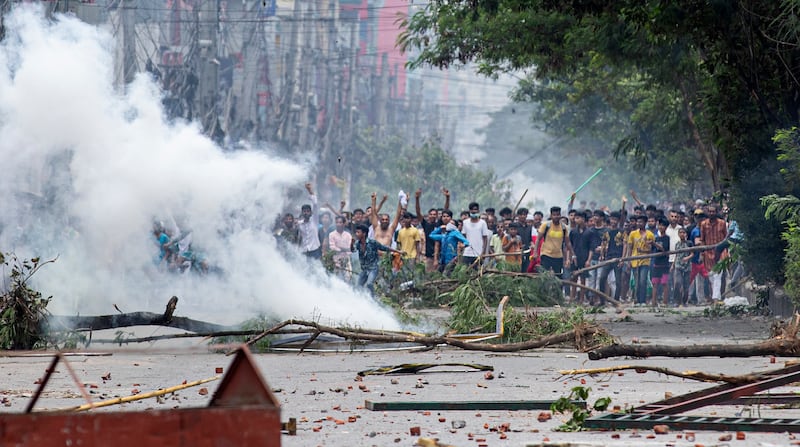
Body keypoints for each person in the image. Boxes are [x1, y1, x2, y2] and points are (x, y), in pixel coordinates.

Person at [351, 224, 403, 294]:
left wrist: (397, 251)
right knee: (358, 286)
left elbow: (384, 247)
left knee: (369, 284)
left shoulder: (372, 242)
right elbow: (353, 250)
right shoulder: (358, 243)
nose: (356, 234)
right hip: (364, 269)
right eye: (356, 232)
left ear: (364, 233)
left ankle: (373, 299)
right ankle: (361, 298)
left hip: (373, 268)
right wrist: (351, 244)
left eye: (358, 232)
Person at [533, 206, 572, 277]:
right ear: (551, 215)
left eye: (558, 215)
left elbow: (567, 243)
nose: (556, 217)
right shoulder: (546, 225)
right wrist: (535, 252)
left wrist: (571, 256)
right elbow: (538, 239)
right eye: (554, 215)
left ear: (560, 215)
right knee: (544, 276)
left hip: (558, 256)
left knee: (558, 277)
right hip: (546, 254)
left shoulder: (564, 227)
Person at [699, 204, 728, 301]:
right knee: (711, 276)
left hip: (721, 252)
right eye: (710, 211)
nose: (712, 213)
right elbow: (702, 239)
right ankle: (716, 296)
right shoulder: (703, 224)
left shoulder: (722, 223)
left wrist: (726, 251)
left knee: (718, 275)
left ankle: (716, 297)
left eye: (713, 211)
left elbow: (726, 238)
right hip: (708, 253)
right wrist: (703, 252)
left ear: (716, 212)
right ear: (707, 212)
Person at [428, 211, 470, 276]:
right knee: (438, 274)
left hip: (452, 259)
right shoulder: (444, 235)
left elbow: (466, 242)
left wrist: (463, 245)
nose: (445, 218)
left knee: (446, 274)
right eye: (444, 216)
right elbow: (431, 235)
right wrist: (440, 228)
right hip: (442, 260)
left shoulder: (455, 233)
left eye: (447, 216)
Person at [625, 215, 655, 306]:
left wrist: (644, 249)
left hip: (645, 261)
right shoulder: (633, 234)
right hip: (634, 260)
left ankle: (643, 300)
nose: (639, 223)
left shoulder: (650, 234)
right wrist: (628, 260)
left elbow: (651, 249)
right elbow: (630, 248)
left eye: (641, 222)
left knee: (643, 280)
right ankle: (637, 300)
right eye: (638, 222)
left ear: (645, 223)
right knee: (636, 282)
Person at [461, 202, 491, 267]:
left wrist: (483, 252)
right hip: (467, 253)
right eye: (472, 209)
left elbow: (485, 239)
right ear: (469, 211)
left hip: (478, 253)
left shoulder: (482, 223)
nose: (473, 211)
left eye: (475, 209)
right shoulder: (465, 222)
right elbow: (463, 237)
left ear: (478, 210)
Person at [297, 183, 321, 259]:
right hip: (304, 250)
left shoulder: (314, 220)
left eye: (308, 211)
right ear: (302, 213)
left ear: (311, 213)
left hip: (315, 250)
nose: (306, 213)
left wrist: (310, 190)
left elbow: (315, 203)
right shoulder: (299, 224)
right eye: (304, 211)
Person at [650, 218, 671, 307]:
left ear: (666, 227)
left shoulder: (667, 238)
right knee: (655, 283)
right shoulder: (656, 238)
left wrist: (654, 244)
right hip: (656, 263)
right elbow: (653, 250)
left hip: (665, 264)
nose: (661, 227)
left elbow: (664, 249)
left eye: (663, 225)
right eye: (660, 225)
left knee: (664, 283)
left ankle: (665, 302)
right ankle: (653, 302)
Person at [671, 227, 692, 306]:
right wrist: (673, 265)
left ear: (686, 234)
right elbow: (676, 255)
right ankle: (677, 301)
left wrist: (687, 258)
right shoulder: (677, 244)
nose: (682, 234)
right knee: (677, 283)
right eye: (680, 232)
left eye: (683, 232)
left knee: (686, 285)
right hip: (678, 265)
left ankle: (684, 301)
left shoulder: (689, 243)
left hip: (687, 266)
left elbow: (692, 253)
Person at [328, 216, 353, 280]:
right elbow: (332, 247)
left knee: (348, 277)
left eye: (340, 222)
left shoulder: (348, 235)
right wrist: (343, 249)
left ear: (344, 224)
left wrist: (340, 248)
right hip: (336, 259)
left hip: (346, 259)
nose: (338, 224)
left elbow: (350, 248)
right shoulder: (331, 234)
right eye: (337, 222)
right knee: (337, 277)